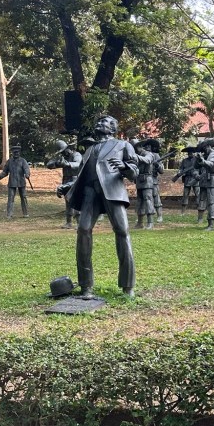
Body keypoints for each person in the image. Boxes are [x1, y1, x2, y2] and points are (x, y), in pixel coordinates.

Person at [57, 115, 138, 297]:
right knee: (83, 230)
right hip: (90, 193)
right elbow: (82, 175)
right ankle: (86, 286)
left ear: (113, 128)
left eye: (104, 122)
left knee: (122, 231)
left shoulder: (122, 145)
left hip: (113, 191)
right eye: (98, 122)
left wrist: (124, 167)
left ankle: (128, 285)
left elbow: (135, 171)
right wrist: (67, 185)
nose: (99, 124)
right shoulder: (90, 149)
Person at [46, 140, 83, 228]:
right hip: (66, 180)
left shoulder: (76, 155)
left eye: (64, 151)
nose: (63, 153)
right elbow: (49, 165)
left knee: (76, 201)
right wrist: (56, 162)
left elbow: (78, 164)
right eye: (61, 152)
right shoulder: (63, 157)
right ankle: (69, 222)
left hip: (75, 179)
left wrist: (67, 164)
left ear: (68, 149)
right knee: (68, 201)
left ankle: (80, 223)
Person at [0, 145, 31, 219]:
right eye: (15, 152)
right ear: (12, 153)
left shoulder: (23, 161)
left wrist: (27, 174)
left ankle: (26, 213)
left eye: (17, 152)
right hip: (12, 182)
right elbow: (5, 172)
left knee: (23, 197)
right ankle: (9, 214)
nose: (16, 154)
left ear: (19, 152)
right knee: (10, 198)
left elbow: (26, 169)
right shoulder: (9, 162)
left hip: (21, 181)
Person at [134, 138, 163, 229]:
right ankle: (140, 223)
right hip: (139, 180)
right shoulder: (136, 155)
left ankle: (150, 222)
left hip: (148, 180)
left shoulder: (148, 154)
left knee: (148, 200)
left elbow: (147, 160)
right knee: (140, 201)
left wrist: (136, 157)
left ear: (138, 147)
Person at [195, 138, 214, 231]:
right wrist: (198, 159)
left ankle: (211, 224)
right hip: (204, 180)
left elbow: (210, 164)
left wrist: (202, 160)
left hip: (212, 180)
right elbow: (196, 166)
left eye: (204, 148)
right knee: (202, 200)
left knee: (212, 202)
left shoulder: (213, 154)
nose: (203, 151)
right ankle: (202, 220)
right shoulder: (205, 155)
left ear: (208, 146)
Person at [171, 146, 199, 212]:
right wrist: (180, 172)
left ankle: (199, 208)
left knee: (198, 194)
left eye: (191, 153)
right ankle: (183, 210)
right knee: (185, 194)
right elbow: (181, 168)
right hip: (187, 178)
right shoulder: (184, 160)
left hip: (195, 178)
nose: (190, 154)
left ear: (193, 153)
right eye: (189, 153)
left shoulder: (197, 160)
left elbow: (200, 168)